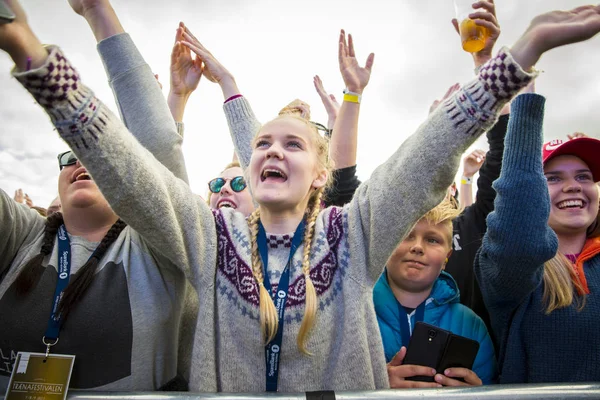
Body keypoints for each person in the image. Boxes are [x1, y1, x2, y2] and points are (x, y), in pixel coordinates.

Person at [4, 0, 593, 392]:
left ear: (319, 174)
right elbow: (129, 169)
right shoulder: (209, 238)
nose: (271, 152)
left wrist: (521, 55)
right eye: (261, 144)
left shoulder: (355, 232)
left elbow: (431, 151)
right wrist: (37, 62)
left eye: (291, 144)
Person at [0, 0, 195, 391]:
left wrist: (95, 10)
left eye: (92, 156)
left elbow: (156, 145)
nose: (81, 162)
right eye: (69, 157)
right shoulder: (20, 236)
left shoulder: (155, 251)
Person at [476, 91, 600, 382]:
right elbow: (519, 241)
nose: (573, 186)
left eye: (584, 176)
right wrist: (526, 107)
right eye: (554, 178)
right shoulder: (512, 269)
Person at [375, 200, 496, 388]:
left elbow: (492, 388)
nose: (417, 247)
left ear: (447, 258)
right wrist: (377, 385)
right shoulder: (356, 316)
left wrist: (477, 394)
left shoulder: (472, 325)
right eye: (406, 235)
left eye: (432, 240)